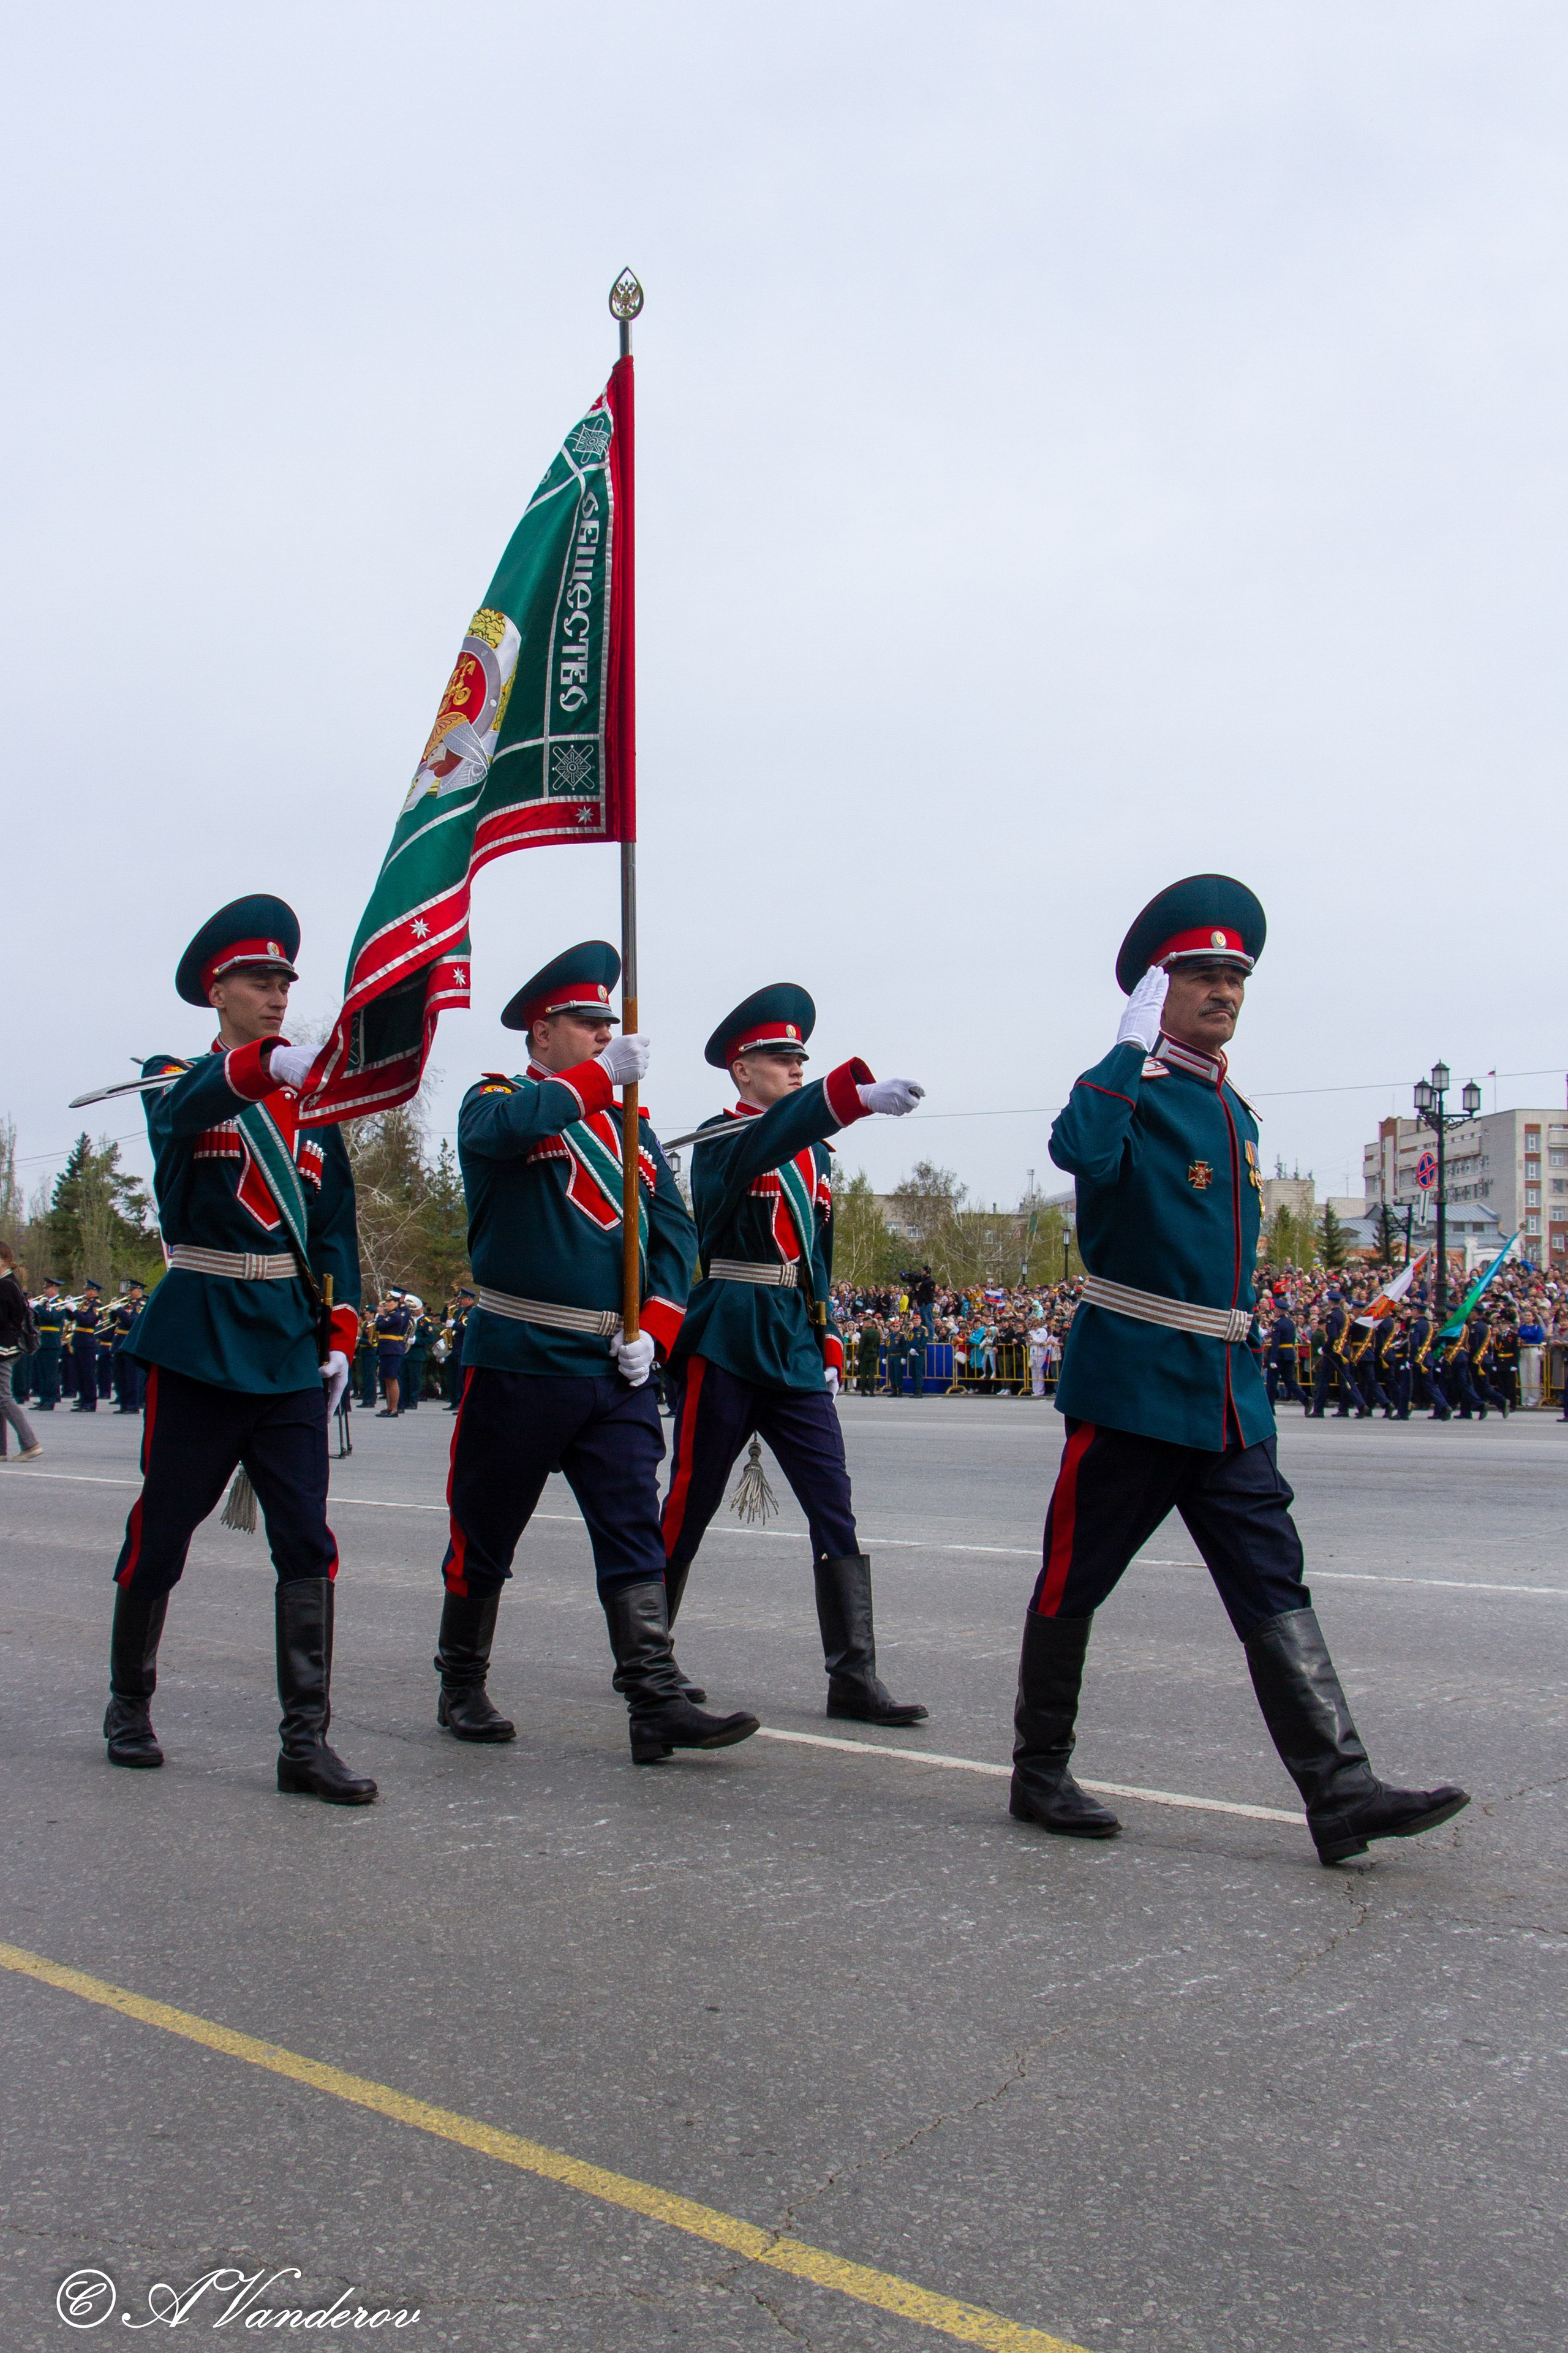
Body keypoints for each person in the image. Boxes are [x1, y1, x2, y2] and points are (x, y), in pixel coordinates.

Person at [1010, 872, 1468, 1867]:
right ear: (1155, 991)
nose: (1224, 992)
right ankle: (1040, 1769)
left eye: (1235, 977)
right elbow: (1077, 1149)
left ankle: (1340, 1792)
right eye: (1202, 975)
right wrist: (1125, 1047)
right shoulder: (1132, 1093)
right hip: (1133, 1386)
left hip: (1226, 1398)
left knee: (1273, 1583)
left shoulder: (1238, 1113)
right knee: (1073, 1580)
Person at [434, 940, 758, 1764]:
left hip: (613, 1367)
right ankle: (461, 1680)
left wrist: (653, 1322)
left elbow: (676, 1231)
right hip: (520, 1355)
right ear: (541, 1034)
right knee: (486, 1528)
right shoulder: (499, 1100)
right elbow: (507, 1133)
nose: (603, 1036)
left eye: (607, 1025)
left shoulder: (634, 1127)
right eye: (585, 1024)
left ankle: (653, 1699)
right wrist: (597, 1078)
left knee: (631, 1527)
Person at [103, 894, 373, 1804]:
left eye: (284, 982)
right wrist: (262, 1066)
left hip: (288, 1345)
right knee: (165, 1526)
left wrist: (339, 1329)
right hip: (202, 1338)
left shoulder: (312, 1103)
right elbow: (193, 1107)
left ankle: (306, 1742)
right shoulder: (175, 1075)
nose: (276, 994)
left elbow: (333, 1230)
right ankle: (129, 1703)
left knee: (307, 1541)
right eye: (259, 980)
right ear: (217, 990)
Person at [660, 983, 929, 1724]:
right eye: (779, 1058)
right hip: (729, 1329)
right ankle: (651, 1658)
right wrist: (853, 1097)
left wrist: (829, 1333)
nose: (793, 1068)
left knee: (832, 1504)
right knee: (690, 1501)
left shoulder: (817, 1157)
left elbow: (820, 1253)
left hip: (793, 1340)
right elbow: (768, 1139)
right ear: (741, 1070)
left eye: (799, 1059)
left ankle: (853, 1675)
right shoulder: (722, 1141)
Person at [0, 1245, 43, 1463]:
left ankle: (30, 1443)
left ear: (3, 1260)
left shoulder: (6, 1285)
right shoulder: (10, 1283)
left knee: (3, 1397)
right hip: (7, 1345)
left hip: (3, 1347)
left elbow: (8, 1320)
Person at [111, 1282, 148, 1414]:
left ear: (140, 1291)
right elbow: (114, 1322)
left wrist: (119, 1311)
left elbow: (132, 1322)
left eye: (133, 1290)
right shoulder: (127, 1304)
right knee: (120, 1377)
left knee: (131, 1376)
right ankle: (124, 1404)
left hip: (130, 1342)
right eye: (130, 1290)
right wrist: (114, 1311)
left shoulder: (141, 1305)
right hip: (119, 1343)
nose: (130, 1292)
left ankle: (133, 1405)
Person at [374, 1290, 411, 1416]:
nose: (387, 1304)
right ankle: (389, 1407)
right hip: (386, 1349)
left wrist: (379, 1315)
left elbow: (379, 1326)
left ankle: (394, 1408)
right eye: (387, 1302)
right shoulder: (391, 1315)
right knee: (387, 1379)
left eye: (390, 1302)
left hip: (392, 1350)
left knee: (392, 1379)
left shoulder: (396, 1316)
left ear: (396, 1303)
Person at [31, 1278, 66, 1410]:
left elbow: (53, 1318)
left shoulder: (60, 1303)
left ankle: (49, 1401)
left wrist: (38, 1308)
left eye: (47, 1288)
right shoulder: (46, 1303)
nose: (44, 1290)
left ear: (55, 1289)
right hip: (42, 1341)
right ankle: (43, 1399)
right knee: (42, 1372)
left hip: (51, 1341)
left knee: (50, 1373)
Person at [69, 1281, 102, 1410]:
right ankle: (83, 1400)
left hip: (87, 1342)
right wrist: (69, 1310)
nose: (85, 1292)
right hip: (79, 1341)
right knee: (80, 1373)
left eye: (88, 1290)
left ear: (94, 1291)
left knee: (88, 1374)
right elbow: (76, 1319)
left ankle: (90, 1403)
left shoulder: (96, 1305)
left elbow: (87, 1320)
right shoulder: (86, 1303)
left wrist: (75, 1310)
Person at [402, 1297, 431, 1410]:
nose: (413, 1311)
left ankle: (413, 1402)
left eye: (416, 1309)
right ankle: (404, 1401)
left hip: (416, 1354)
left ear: (422, 1309)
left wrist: (416, 1341)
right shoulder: (409, 1320)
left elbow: (429, 1340)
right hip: (406, 1353)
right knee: (404, 1378)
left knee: (414, 1380)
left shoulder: (426, 1322)